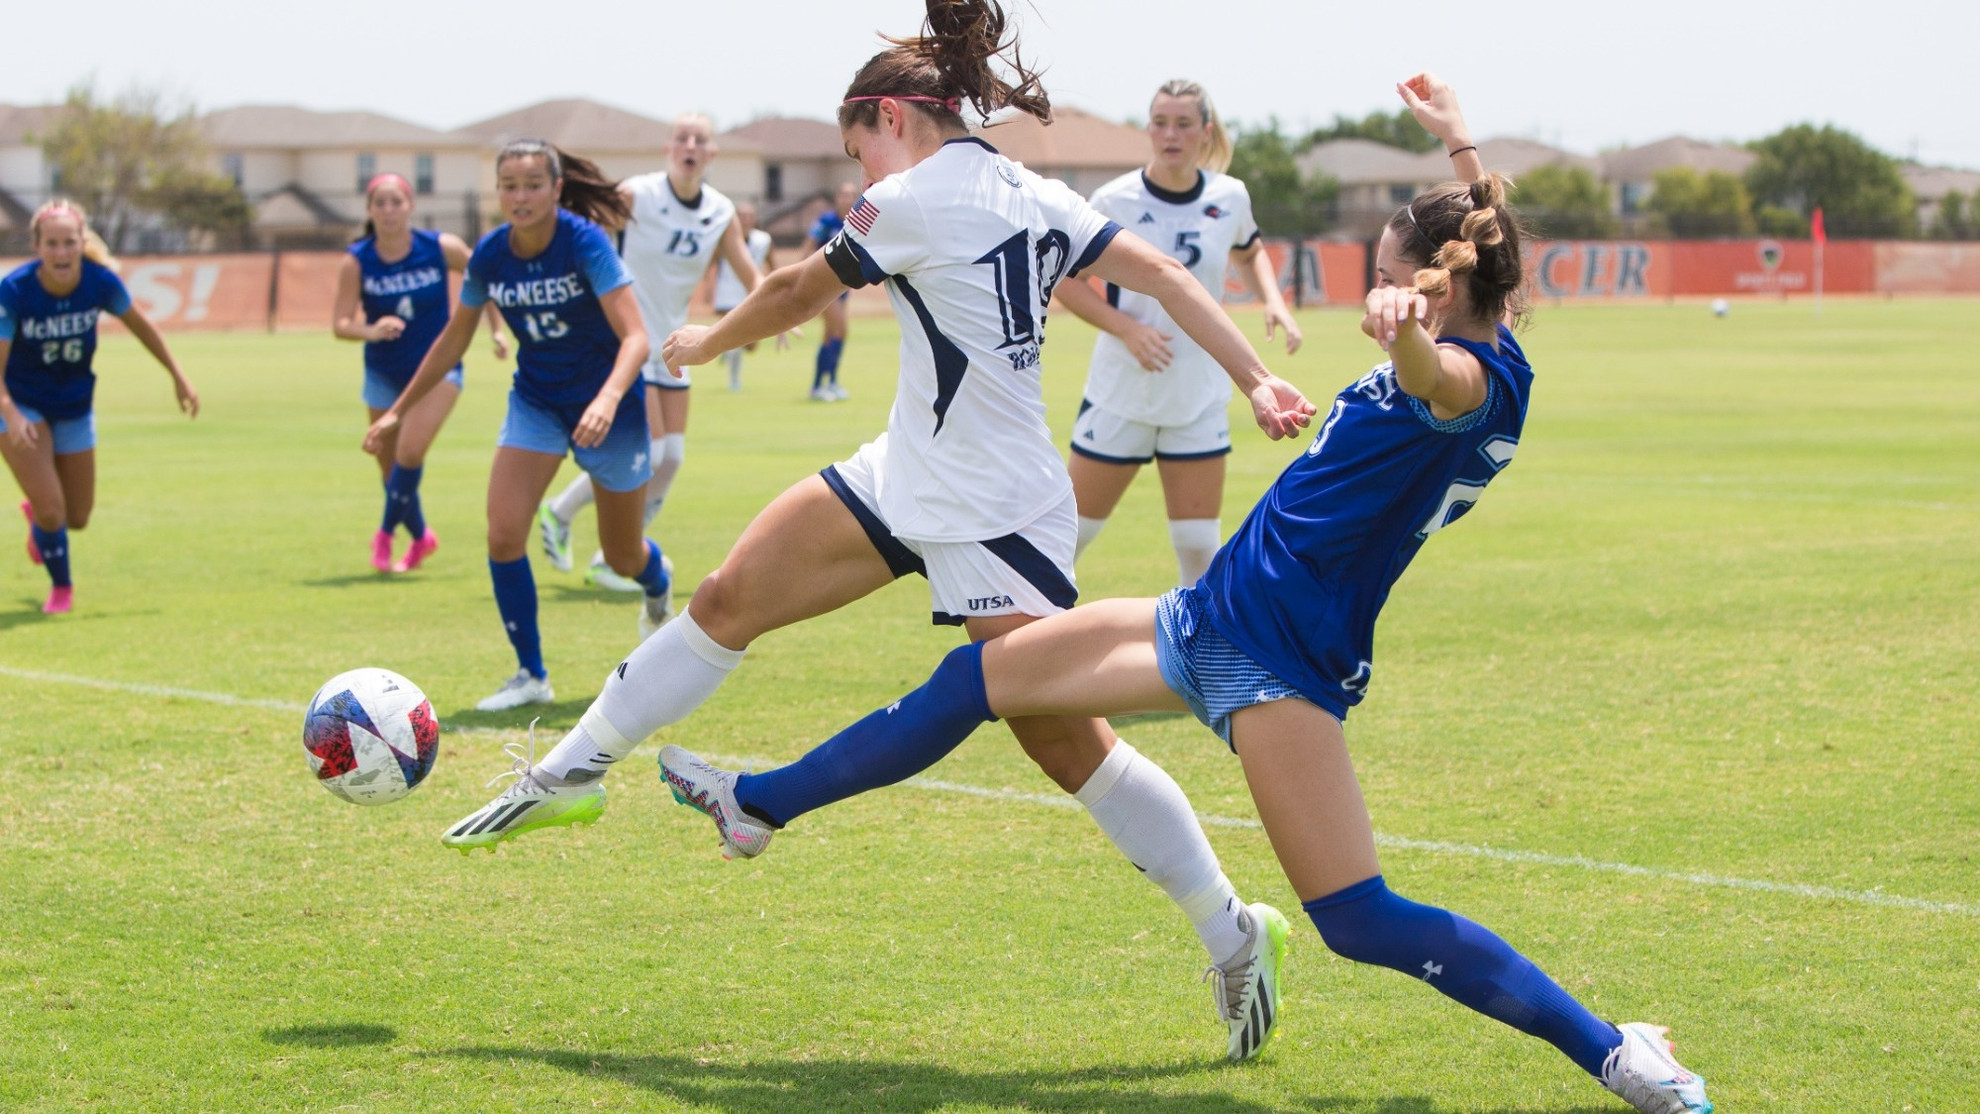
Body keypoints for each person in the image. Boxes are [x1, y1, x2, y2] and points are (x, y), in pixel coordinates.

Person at [657, 76, 1714, 1113]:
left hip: (1280, 663)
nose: (1369, 290)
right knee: (978, 678)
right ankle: (757, 805)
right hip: (1202, 620)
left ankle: (1617, 1054)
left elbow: (1439, 381)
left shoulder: (1472, 381)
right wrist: (1458, 144)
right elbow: (1482, 249)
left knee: (1356, 918)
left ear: (1431, 289)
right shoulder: (1489, 319)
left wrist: (1400, 327)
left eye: (1381, 276)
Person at [442, 0, 1314, 1062]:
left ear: (890, 118)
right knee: (726, 599)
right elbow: (1166, 276)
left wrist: (712, 333)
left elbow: (802, 287)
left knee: (1063, 738)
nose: (858, 172)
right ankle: (568, 774)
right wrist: (1255, 374)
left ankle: (1236, 934)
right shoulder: (1031, 186)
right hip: (906, 471)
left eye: (856, 148)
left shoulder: (912, 197)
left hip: (998, 507)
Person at [364, 140, 664, 712]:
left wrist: (606, 398)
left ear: (555, 189)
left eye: (531, 184)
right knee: (503, 534)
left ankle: (657, 584)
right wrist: (400, 409)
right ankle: (531, 674)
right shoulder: (490, 254)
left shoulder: (585, 243)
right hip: (537, 401)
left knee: (622, 556)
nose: (519, 196)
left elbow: (636, 337)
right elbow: (454, 336)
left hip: (610, 408)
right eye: (508, 185)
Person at [1052, 79, 1302, 587]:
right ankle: (1026, 648)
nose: (1171, 134)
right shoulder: (1113, 198)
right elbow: (1066, 283)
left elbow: (1249, 250)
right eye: (1160, 122)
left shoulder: (1229, 196)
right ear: (1148, 128)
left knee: (1196, 543)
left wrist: (1274, 300)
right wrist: (1126, 329)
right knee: (1069, 535)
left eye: (1184, 123)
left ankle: (1199, 658)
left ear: (1205, 131)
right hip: (1123, 392)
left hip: (1198, 394)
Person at [536, 114, 769, 594]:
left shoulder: (720, 211)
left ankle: (602, 548)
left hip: (675, 345)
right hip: (627, 339)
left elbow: (748, 272)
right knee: (655, 450)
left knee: (672, 459)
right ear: (669, 148)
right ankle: (568, 519)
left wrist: (772, 311)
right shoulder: (638, 194)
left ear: (711, 154)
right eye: (681, 137)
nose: (689, 144)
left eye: (699, 139)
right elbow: (581, 232)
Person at [1, 200, 198, 614]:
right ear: (37, 246)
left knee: (77, 517)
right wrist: (11, 413)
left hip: (74, 404)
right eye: (51, 243)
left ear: (81, 244)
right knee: (53, 510)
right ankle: (61, 589)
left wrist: (177, 376)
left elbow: (143, 328)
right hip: (19, 404)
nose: (60, 252)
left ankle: (38, 518)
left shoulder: (100, 282)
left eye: (68, 243)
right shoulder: (15, 291)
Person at [332, 172, 510, 574]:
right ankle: (421, 537)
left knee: (411, 452)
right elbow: (340, 324)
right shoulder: (357, 260)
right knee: (389, 466)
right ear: (369, 210)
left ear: (411, 206)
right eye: (381, 203)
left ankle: (384, 535)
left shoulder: (439, 247)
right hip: (382, 371)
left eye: (397, 202)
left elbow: (485, 280)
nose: (389, 210)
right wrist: (371, 330)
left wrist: (496, 330)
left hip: (437, 371)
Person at [713, 200, 775, 391]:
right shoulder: (725, 238)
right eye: (741, 216)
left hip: (752, 293)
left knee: (750, 345)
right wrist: (708, 287)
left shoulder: (763, 240)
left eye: (749, 216)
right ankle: (734, 381)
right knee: (735, 338)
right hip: (728, 291)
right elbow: (712, 261)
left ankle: (724, 350)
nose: (746, 220)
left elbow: (772, 264)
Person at [804, 181, 859, 401]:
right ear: (836, 198)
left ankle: (831, 382)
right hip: (824, 285)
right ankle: (818, 385)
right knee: (836, 329)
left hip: (843, 285)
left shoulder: (856, 223)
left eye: (852, 195)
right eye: (843, 195)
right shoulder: (826, 221)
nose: (847, 199)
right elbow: (808, 247)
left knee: (836, 333)